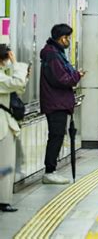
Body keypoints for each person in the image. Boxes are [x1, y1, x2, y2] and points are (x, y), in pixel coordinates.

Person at [40, 24, 84, 184]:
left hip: (57, 102)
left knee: (57, 135)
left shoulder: (56, 53)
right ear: (62, 38)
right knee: (56, 136)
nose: (69, 41)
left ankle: (51, 170)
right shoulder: (52, 55)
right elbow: (62, 79)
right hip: (55, 103)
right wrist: (77, 76)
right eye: (68, 38)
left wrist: (75, 74)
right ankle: (49, 171)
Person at [0, 45, 29, 212]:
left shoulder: (3, 75)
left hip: (5, 122)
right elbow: (16, 83)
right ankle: (3, 200)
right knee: (5, 162)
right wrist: (17, 64)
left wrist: (21, 75)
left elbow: (18, 88)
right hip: (2, 125)